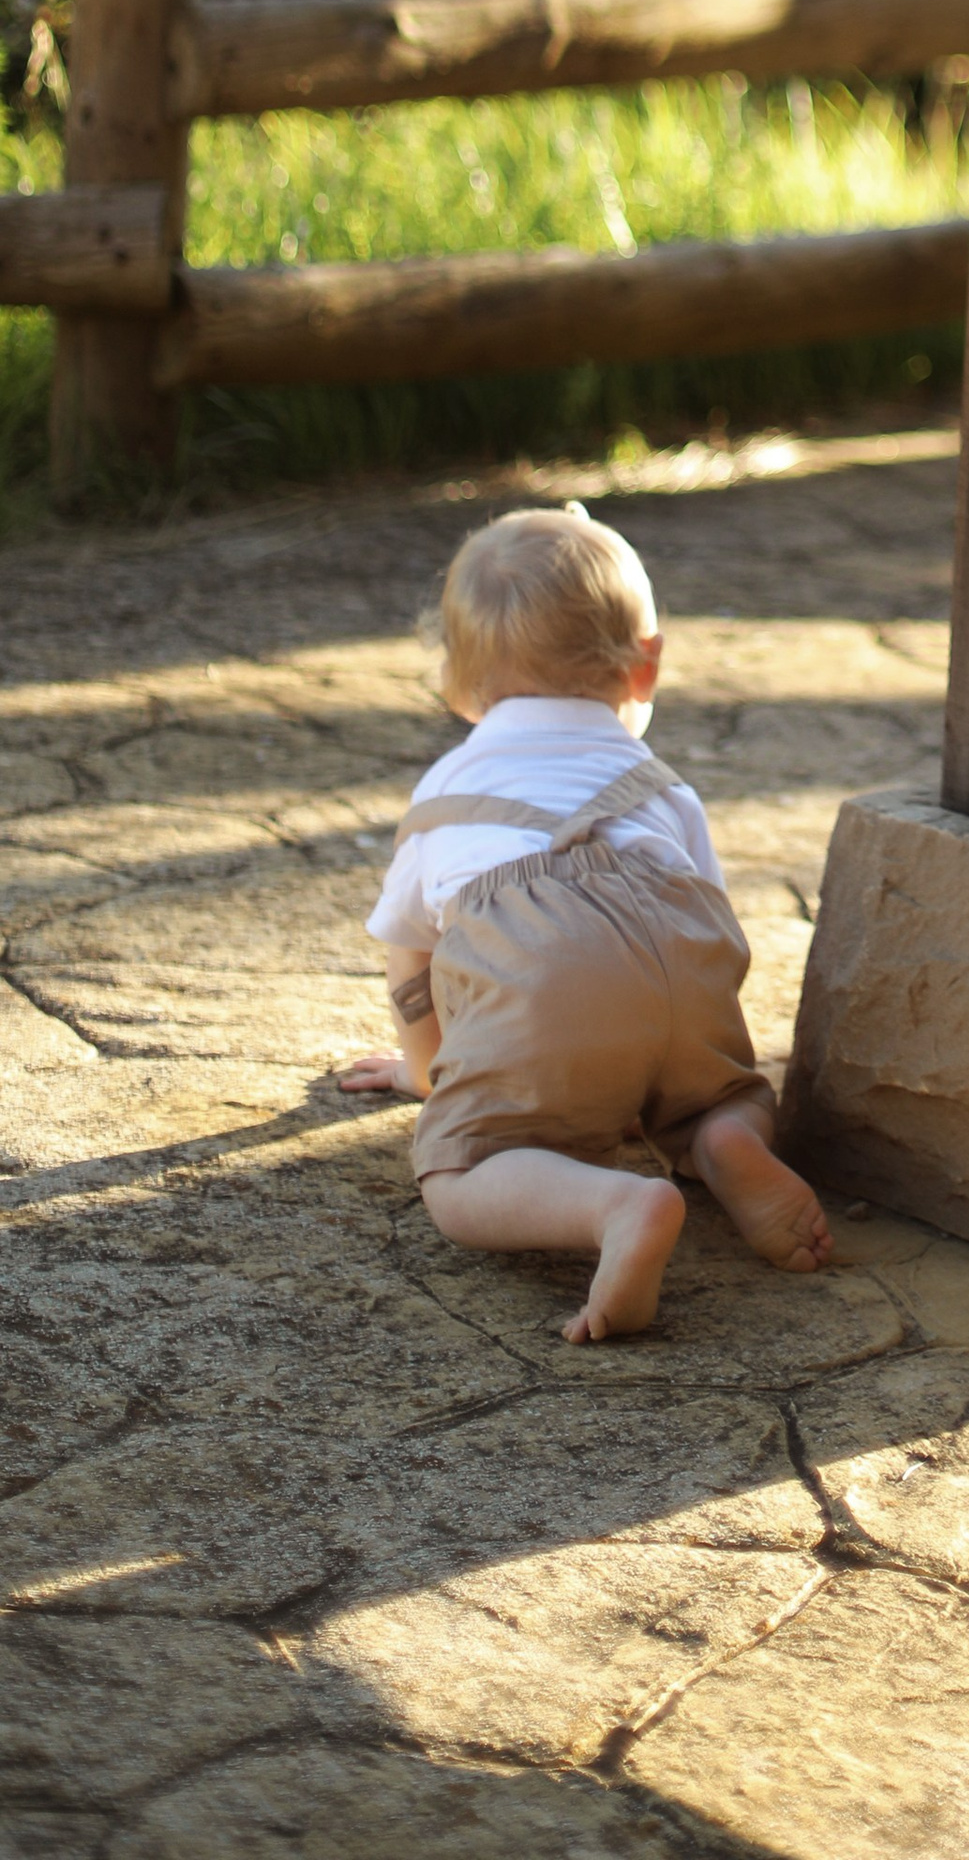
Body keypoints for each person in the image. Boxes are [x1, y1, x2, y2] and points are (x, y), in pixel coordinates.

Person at [340, 503, 832, 1342]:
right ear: (646, 667)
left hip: (546, 982)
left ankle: (615, 1205)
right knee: (719, 1090)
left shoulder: (444, 795)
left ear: (460, 682)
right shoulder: (663, 787)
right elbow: (707, 922)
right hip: (673, 971)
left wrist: (431, 1076)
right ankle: (719, 1140)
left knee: (459, 1170)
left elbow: (410, 963)